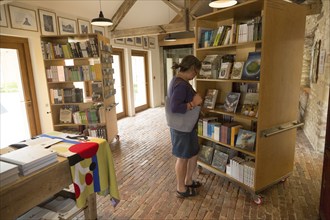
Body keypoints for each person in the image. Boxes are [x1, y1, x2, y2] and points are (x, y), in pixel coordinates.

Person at [167, 55, 203, 197]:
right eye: (196, 72)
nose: (195, 75)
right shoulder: (181, 84)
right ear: (192, 69)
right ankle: (181, 188)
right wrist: (193, 104)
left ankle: (188, 180)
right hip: (182, 127)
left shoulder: (179, 81)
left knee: (193, 153)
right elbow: (174, 107)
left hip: (187, 126)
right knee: (182, 157)